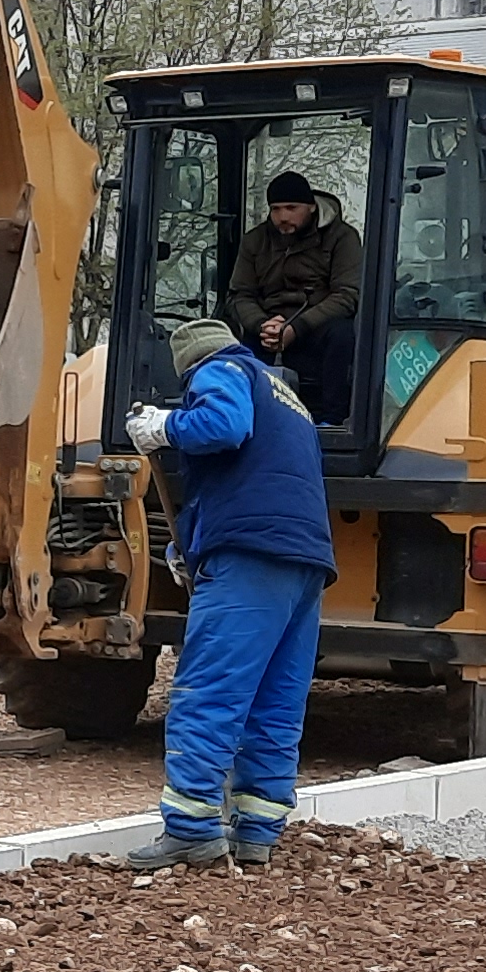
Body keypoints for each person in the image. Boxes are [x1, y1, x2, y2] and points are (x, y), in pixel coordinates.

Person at [123, 315, 336, 874]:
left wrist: (167, 426)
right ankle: (258, 832)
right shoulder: (286, 394)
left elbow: (222, 426)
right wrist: (191, 546)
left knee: (210, 690)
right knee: (275, 701)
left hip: (251, 557)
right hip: (305, 561)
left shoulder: (221, 371)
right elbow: (253, 477)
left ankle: (191, 828)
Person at [224, 172, 362, 428]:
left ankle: (334, 421)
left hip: (316, 325)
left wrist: (296, 328)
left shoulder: (341, 237)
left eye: (291, 208)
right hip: (268, 327)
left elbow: (346, 295)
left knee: (343, 334)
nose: (283, 217)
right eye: (276, 209)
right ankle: (247, 422)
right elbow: (239, 294)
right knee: (236, 349)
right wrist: (262, 324)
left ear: (311, 206)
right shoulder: (255, 240)